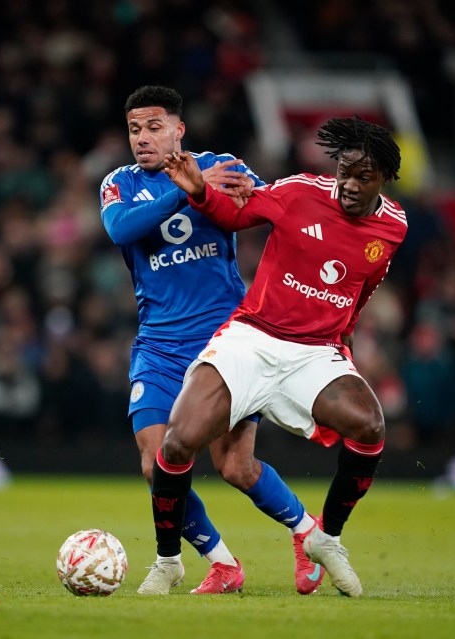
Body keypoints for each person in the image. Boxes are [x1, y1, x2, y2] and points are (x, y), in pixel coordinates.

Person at [148, 115, 406, 598]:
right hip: (253, 337)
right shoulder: (299, 191)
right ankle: (167, 561)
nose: (348, 185)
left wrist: (343, 337)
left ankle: (325, 537)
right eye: (343, 172)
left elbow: (363, 287)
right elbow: (234, 216)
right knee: (179, 441)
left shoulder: (393, 227)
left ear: (384, 180)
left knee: (370, 425)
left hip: (315, 353)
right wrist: (200, 192)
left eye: (362, 177)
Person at [99, 85, 324, 596]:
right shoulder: (119, 184)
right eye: (135, 129)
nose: (143, 138)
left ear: (179, 129)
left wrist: (217, 189)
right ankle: (221, 563)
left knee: (235, 467)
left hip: (226, 345)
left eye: (154, 127)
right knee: (156, 464)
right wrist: (183, 190)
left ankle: (306, 531)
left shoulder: (219, 164)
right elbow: (119, 229)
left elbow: (268, 206)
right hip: (158, 344)